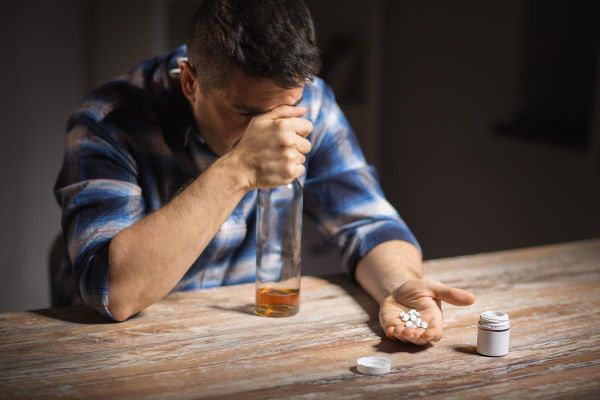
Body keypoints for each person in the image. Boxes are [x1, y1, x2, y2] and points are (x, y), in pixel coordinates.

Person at [54, 0, 475, 345]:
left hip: (245, 331)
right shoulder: (107, 122)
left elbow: (367, 222)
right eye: (248, 113)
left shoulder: (311, 101)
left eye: (284, 107)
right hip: (117, 343)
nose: (273, 130)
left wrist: (400, 286)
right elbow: (113, 294)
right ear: (190, 82)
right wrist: (237, 169)